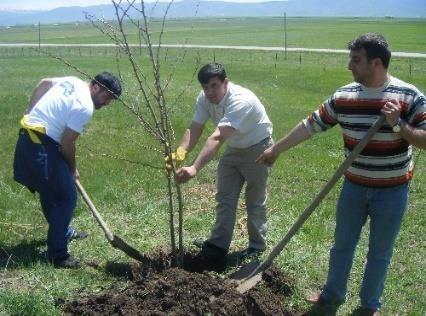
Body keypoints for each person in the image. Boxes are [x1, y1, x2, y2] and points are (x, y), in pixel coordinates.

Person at [257, 33, 426, 315]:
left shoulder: (409, 96)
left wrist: (399, 124)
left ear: (376, 63)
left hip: (393, 190)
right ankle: (332, 295)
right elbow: (311, 124)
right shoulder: (345, 96)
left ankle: (369, 305)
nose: (349, 65)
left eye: (356, 60)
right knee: (342, 245)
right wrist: (277, 149)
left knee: (379, 252)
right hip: (354, 187)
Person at [13, 72, 122, 268]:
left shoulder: (73, 81)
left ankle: (63, 232)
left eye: (111, 100)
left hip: (28, 141)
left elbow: (44, 82)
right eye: (107, 97)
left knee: (50, 190)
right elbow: (67, 144)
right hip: (40, 148)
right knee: (67, 197)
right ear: (95, 87)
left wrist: (29, 111)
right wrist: (72, 168)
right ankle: (58, 255)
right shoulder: (85, 107)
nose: (107, 104)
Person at [171, 63, 273, 266]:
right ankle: (218, 246)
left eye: (214, 86)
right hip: (234, 148)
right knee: (225, 199)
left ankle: (256, 247)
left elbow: (217, 137)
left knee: (255, 200)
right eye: (205, 87)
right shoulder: (204, 99)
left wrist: (194, 168)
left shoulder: (241, 100)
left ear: (225, 82)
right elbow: (195, 127)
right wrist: (179, 154)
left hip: (258, 148)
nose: (209, 92)